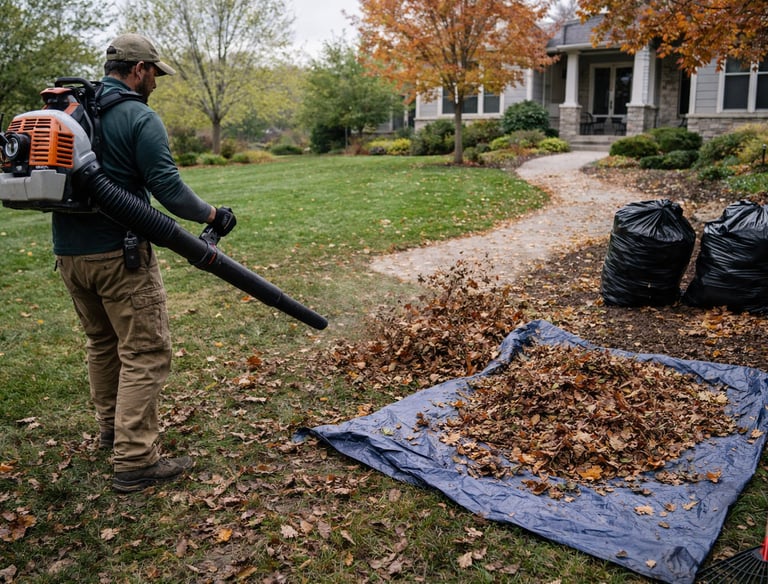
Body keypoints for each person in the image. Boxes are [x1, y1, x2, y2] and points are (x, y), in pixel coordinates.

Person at [52, 33, 236, 493]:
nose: (156, 81)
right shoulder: (138, 116)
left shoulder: (74, 113)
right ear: (138, 70)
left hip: (70, 256)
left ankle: (112, 432)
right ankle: (135, 461)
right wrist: (214, 215)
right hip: (120, 256)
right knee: (145, 352)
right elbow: (170, 193)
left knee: (102, 343)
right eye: (155, 72)